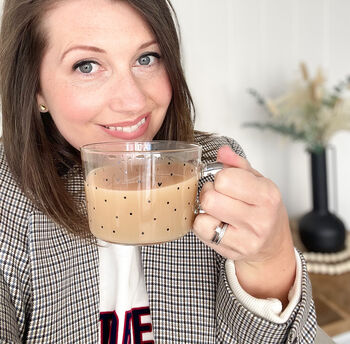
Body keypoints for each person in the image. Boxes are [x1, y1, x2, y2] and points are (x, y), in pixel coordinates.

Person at [0, 0, 333, 343]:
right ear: (35, 86)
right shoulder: (6, 192)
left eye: (147, 58)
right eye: (87, 65)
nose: (132, 101)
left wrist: (270, 259)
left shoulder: (215, 168)